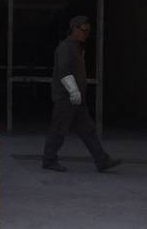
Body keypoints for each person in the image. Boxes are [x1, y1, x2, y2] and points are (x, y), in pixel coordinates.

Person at [42, 15, 120, 174]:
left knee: (88, 130)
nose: (86, 34)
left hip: (76, 99)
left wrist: (77, 93)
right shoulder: (66, 47)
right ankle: (49, 160)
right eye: (84, 30)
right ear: (74, 29)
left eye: (88, 31)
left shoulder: (76, 47)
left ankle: (102, 160)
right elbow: (64, 71)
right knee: (59, 129)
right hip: (66, 98)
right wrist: (73, 91)